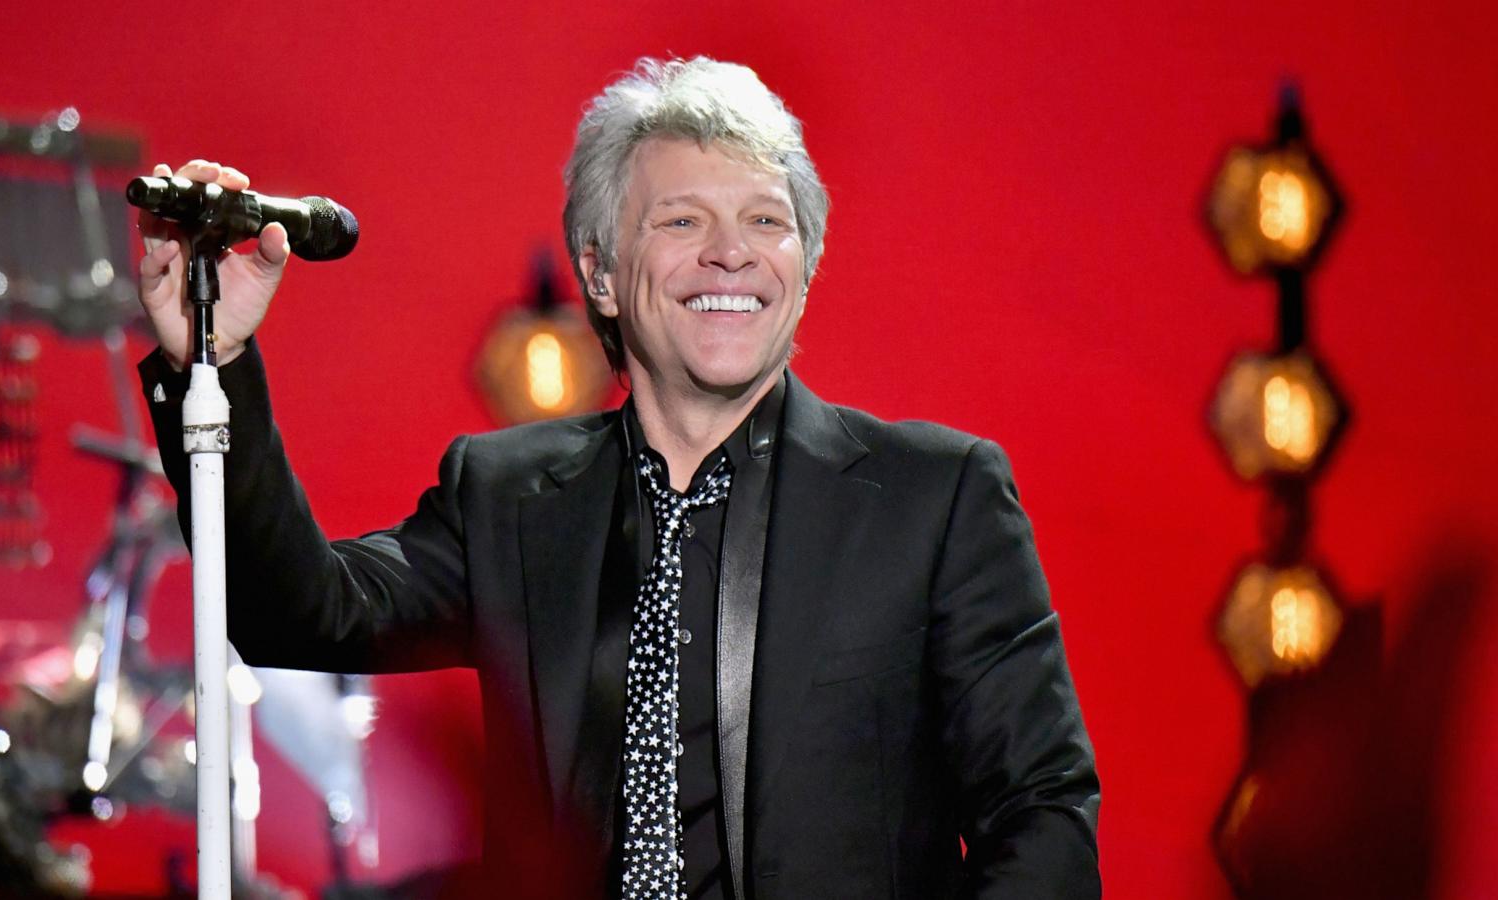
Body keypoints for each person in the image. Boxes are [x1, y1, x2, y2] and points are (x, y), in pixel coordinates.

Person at [136, 57, 1099, 899]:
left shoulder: (936, 498)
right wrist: (207, 366)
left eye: (767, 220)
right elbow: (293, 610)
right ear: (599, 273)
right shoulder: (507, 498)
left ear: (803, 268)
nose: (733, 251)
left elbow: (1042, 814)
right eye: (684, 219)